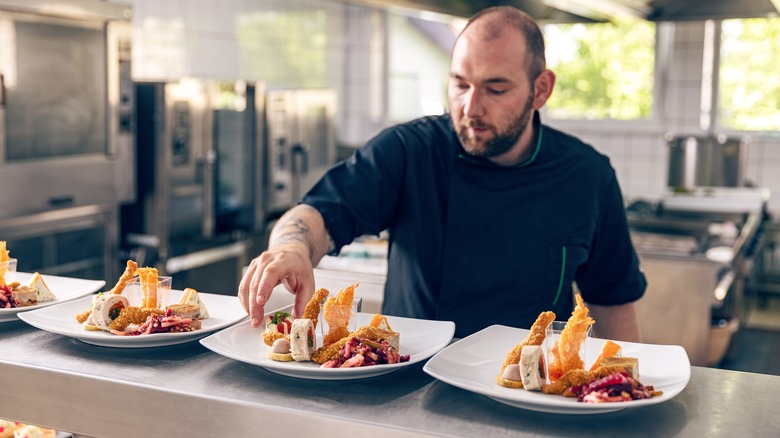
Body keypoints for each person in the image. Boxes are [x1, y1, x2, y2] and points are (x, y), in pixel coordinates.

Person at [238, 6, 646, 341]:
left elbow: (612, 302)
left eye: (495, 89)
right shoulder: (409, 150)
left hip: (535, 395)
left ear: (541, 89)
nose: (470, 108)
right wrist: (291, 249)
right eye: (459, 84)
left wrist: (620, 392)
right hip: (412, 391)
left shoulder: (587, 176)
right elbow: (318, 214)